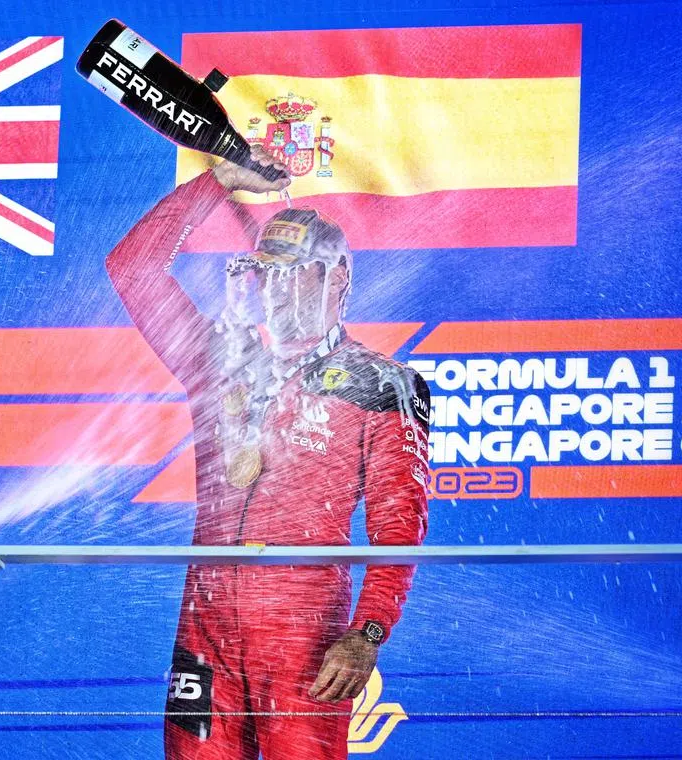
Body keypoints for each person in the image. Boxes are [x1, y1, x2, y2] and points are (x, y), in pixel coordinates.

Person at [106, 146, 430, 760]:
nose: (272, 286)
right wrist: (217, 182)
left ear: (336, 277)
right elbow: (133, 268)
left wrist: (367, 634)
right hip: (204, 634)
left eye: (291, 271)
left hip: (304, 636)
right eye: (264, 270)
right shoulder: (219, 359)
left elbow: (399, 525)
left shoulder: (382, 384)